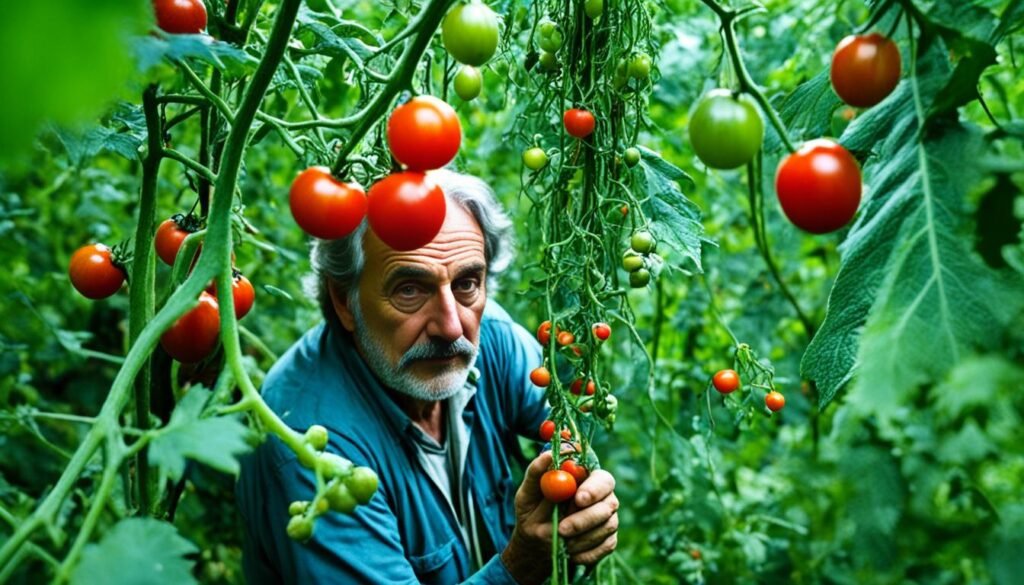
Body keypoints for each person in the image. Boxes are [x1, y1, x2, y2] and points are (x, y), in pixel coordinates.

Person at [236, 170, 619, 584]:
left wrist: (584, 499)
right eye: (410, 291)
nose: (452, 327)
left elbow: (568, 430)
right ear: (343, 300)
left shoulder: (493, 341)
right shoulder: (311, 445)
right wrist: (520, 566)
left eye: (467, 283)